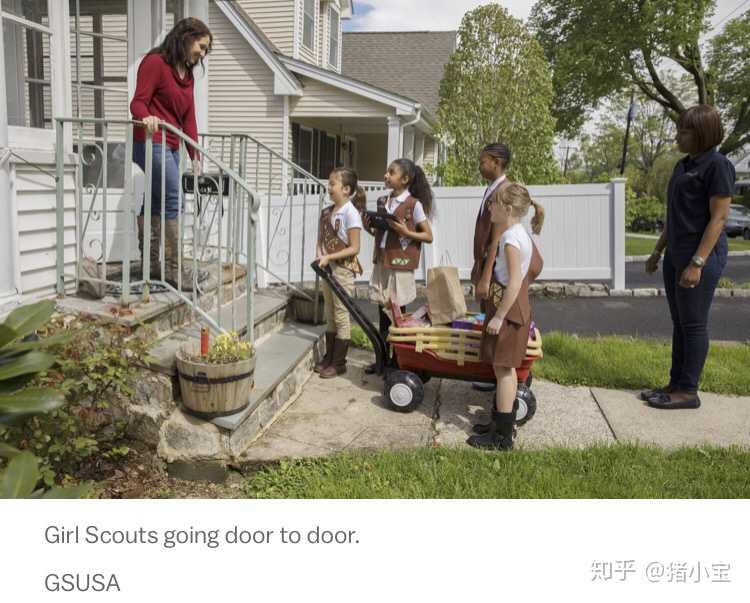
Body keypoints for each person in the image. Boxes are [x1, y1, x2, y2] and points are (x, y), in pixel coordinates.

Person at [642, 105, 734, 409]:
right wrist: (658, 251)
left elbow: (718, 219)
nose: (678, 135)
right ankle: (675, 383)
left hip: (700, 257)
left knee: (693, 324)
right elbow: (674, 215)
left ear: (701, 133)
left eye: (684, 130)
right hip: (675, 255)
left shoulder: (718, 165)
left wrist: (697, 263)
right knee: (679, 323)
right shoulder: (683, 165)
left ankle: (688, 391)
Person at [129, 17, 213, 291]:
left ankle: (151, 264)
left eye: (205, 50)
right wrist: (147, 117)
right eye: (201, 47)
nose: (202, 54)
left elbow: (188, 118)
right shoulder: (155, 63)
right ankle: (175, 269)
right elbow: (138, 102)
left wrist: (195, 153)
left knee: (155, 200)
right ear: (186, 37)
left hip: (174, 145)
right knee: (173, 198)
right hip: (151, 141)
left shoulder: (186, 75)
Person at [467, 184, 544, 450]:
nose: (490, 208)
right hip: (510, 309)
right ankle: (499, 425)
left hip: (509, 313)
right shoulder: (518, 233)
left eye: (494, 204)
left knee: (505, 371)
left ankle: (501, 437)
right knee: (503, 369)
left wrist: (499, 316)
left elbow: (513, 283)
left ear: (507, 209)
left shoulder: (511, 239)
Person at [363, 158, 434, 374]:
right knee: (383, 312)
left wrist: (406, 232)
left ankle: (397, 361)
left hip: (400, 264)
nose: (386, 175)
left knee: (396, 314)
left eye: (391, 172)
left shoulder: (414, 204)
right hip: (383, 260)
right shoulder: (383, 201)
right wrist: (370, 228)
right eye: (386, 171)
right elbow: (383, 233)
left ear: (404, 179)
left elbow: (428, 236)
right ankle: (383, 359)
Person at [314, 168, 366, 379]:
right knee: (330, 312)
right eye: (329, 183)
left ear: (346, 189)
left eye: (332, 184)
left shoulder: (351, 213)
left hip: (342, 269)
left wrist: (330, 258)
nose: (329, 187)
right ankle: (329, 357)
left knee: (341, 314)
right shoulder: (327, 212)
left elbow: (354, 248)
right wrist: (319, 254)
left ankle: (339, 362)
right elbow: (320, 239)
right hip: (327, 266)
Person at [471, 143, 513, 392]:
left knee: (494, 322)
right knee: (486, 318)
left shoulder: (502, 192)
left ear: (496, 162)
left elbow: (496, 239)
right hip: (485, 265)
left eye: (483, 161)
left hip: (495, 271)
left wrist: (485, 278)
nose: (480, 165)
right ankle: (492, 374)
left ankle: (496, 377)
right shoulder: (492, 189)